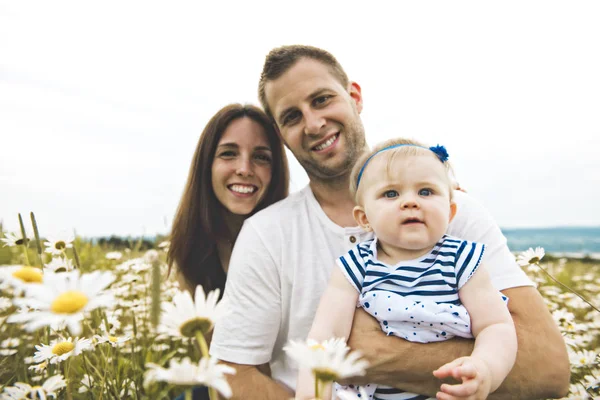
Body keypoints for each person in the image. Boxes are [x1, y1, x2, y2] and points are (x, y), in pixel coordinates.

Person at [210, 45, 570, 399]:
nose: (314, 123)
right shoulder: (266, 235)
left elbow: (550, 370)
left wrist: (384, 356)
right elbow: (233, 375)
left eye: (321, 99)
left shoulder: (454, 214)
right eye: (291, 116)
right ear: (280, 134)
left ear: (354, 96)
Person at [296, 138, 517, 400]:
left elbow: (496, 326)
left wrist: (486, 368)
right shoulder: (355, 266)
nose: (410, 202)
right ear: (364, 218)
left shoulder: (462, 260)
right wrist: (313, 394)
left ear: (450, 211)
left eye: (425, 192)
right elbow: (326, 337)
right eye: (391, 194)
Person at [168, 103, 289, 296]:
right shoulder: (190, 247)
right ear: (207, 164)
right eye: (228, 154)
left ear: (275, 171)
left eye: (260, 157)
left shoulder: (293, 246)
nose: (244, 169)